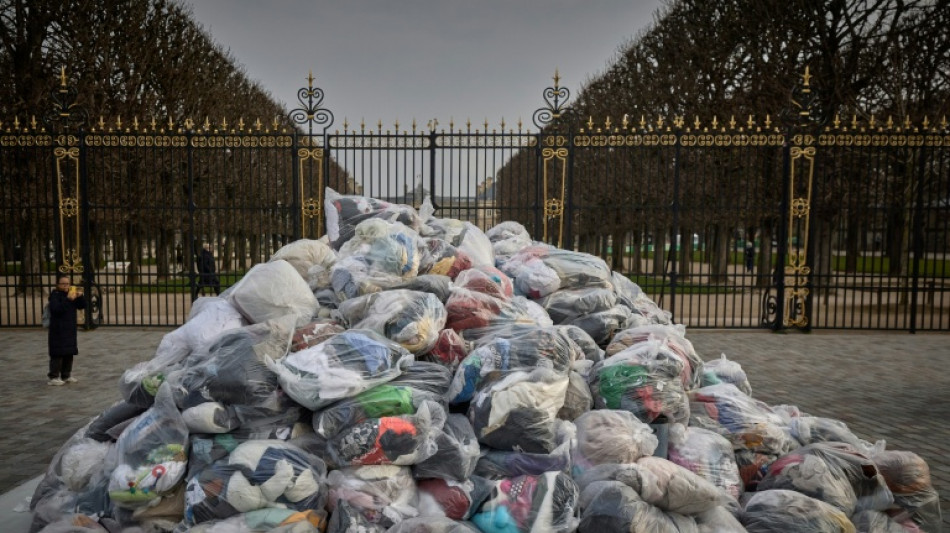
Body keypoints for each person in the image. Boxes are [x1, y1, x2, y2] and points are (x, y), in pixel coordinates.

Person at [47, 275, 86, 386]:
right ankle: (53, 376)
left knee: (69, 352)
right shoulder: (55, 295)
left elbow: (82, 306)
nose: (65, 286)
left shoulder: (71, 295)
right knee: (57, 353)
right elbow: (56, 310)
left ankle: (66, 375)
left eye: (67, 284)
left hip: (70, 328)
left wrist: (80, 296)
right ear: (58, 285)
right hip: (58, 329)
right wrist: (68, 299)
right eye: (63, 283)